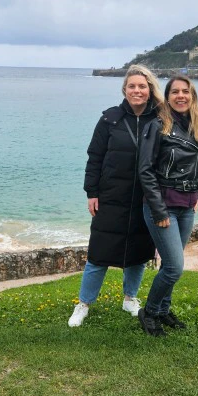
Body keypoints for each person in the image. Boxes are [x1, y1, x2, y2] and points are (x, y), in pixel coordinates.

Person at [68, 65, 164, 327]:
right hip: (110, 197)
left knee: (138, 254)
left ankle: (130, 299)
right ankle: (84, 303)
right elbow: (94, 157)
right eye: (132, 86)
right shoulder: (109, 119)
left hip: (144, 200)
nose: (137, 90)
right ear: (124, 89)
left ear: (149, 90)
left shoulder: (159, 120)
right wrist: (92, 192)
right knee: (98, 254)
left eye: (142, 86)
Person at [137, 75, 198, 336]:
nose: (181, 96)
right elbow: (145, 171)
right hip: (163, 207)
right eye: (175, 92)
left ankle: (164, 309)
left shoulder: (196, 125)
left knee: (171, 266)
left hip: (187, 206)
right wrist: (158, 210)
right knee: (175, 267)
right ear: (167, 97)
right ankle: (150, 312)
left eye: (185, 91)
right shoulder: (157, 126)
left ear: (192, 96)